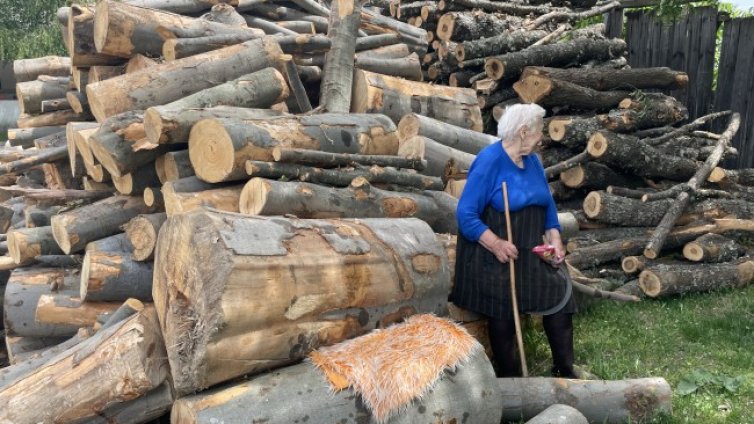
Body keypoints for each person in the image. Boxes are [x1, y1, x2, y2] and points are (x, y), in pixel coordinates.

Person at [452, 103, 578, 378]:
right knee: (502, 311)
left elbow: (547, 205)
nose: (541, 137)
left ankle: (565, 370)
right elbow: (465, 214)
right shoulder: (489, 161)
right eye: (538, 131)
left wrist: (554, 235)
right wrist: (495, 243)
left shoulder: (532, 160)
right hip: (494, 254)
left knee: (560, 296)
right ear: (523, 132)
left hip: (531, 249)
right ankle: (511, 378)